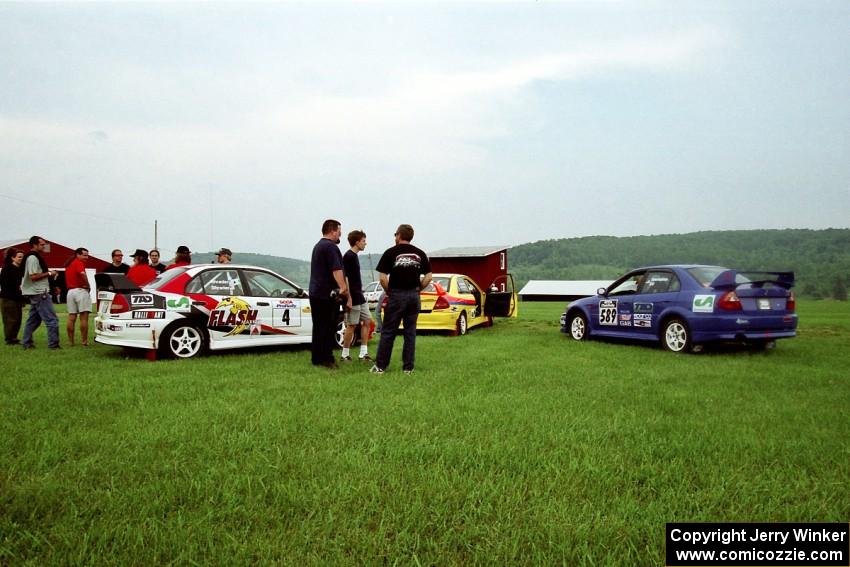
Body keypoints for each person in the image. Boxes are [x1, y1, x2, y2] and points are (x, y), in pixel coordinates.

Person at [371, 224, 432, 375]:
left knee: (388, 332)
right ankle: (408, 368)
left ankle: (380, 367)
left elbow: (383, 278)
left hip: (396, 295)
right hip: (413, 296)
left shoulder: (391, 252)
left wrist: (389, 292)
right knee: (410, 332)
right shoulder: (420, 253)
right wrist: (418, 289)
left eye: (395, 235)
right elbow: (429, 277)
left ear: (399, 235)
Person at [309, 219, 348, 369]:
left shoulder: (318, 246)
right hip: (327, 294)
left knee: (318, 326)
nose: (340, 235)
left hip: (315, 292)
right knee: (328, 326)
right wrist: (343, 287)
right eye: (339, 231)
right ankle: (327, 358)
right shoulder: (331, 247)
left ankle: (317, 357)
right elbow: (336, 269)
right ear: (332, 231)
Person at [21, 236, 60, 350]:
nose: (44, 246)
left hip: (36, 292)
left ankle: (26, 343)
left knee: (33, 321)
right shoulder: (32, 258)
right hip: (39, 293)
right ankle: (54, 346)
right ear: (34, 245)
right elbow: (33, 276)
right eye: (42, 244)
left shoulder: (34, 257)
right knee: (52, 320)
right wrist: (49, 273)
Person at [341, 230, 371, 362]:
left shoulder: (355, 256)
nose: (365, 243)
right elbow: (345, 277)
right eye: (364, 241)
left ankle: (363, 354)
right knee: (352, 325)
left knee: (367, 321)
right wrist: (349, 297)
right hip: (352, 296)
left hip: (360, 295)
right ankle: (345, 354)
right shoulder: (348, 256)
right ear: (357, 242)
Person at [64, 247, 92, 346]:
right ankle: (84, 341)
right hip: (80, 290)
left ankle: (70, 342)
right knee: (84, 318)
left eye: (87, 255)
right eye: (84, 255)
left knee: (71, 317)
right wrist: (88, 285)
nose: (86, 257)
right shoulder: (79, 263)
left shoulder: (69, 264)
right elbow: (82, 273)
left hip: (70, 292)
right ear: (78, 255)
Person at [1, 247, 26, 345]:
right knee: (10, 319)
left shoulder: (19, 269)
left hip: (17, 298)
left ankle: (14, 337)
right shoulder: (7, 269)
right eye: (19, 257)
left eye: (22, 257)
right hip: (8, 298)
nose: (21, 259)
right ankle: (9, 339)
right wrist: (18, 288)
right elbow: (6, 284)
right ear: (13, 258)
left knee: (18, 319)